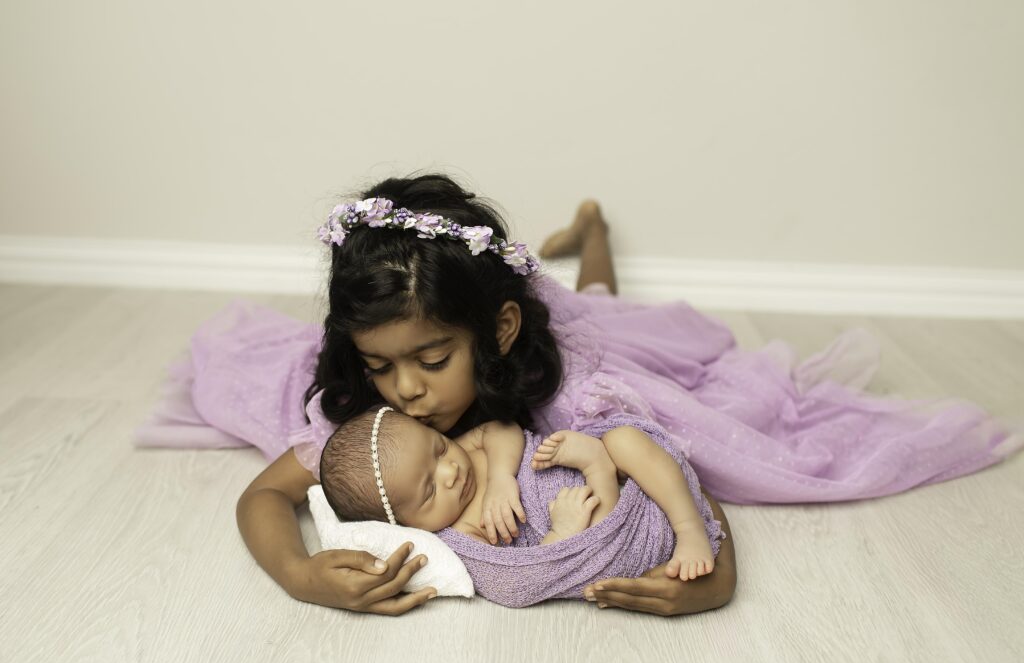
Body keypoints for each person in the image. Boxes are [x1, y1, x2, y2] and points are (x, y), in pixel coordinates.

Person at [138, 172, 1014, 616]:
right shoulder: (376, 416)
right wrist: (296, 572)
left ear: (498, 331)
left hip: (562, 339)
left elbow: (682, 468)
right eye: (379, 364)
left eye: (432, 357)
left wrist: (710, 577)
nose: (405, 391)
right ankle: (589, 227)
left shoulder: (567, 387)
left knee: (601, 306)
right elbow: (267, 494)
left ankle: (591, 228)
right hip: (512, 329)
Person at [320, 405, 717, 581]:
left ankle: (690, 528)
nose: (451, 471)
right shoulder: (461, 536)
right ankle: (598, 468)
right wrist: (561, 533)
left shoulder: (466, 451)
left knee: (626, 438)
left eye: (439, 447)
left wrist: (500, 478)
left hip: (635, 479)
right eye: (429, 490)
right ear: (406, 525)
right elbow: (523, 578)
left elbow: (501, 429)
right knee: (595, 516)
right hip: (600, 534)